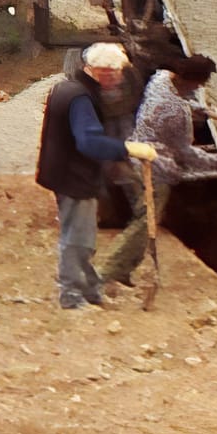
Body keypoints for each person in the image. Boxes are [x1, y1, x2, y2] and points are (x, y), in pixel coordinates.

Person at [36, 43, 156, 310]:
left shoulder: (68, 87)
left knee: (84, 235)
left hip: (66, 171)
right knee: (77, 239)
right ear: (101, 71)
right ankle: (72, 295)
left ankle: (90, 289)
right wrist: (127, 149)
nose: (119, 78)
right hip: (74, 176)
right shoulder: (81, 98)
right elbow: (88, 142)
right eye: (115, 73)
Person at [96, 53, 217, 285]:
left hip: (137, 154)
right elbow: (185, 152)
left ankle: (124, 269)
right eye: (200, 84)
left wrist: (203, 110)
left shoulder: (161, 79)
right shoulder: (176, 112)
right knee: (145, 223)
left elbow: (181, 99)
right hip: (156, 167)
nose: (200, 88)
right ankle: (106, 273)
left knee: (145, 218)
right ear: (192, 81)